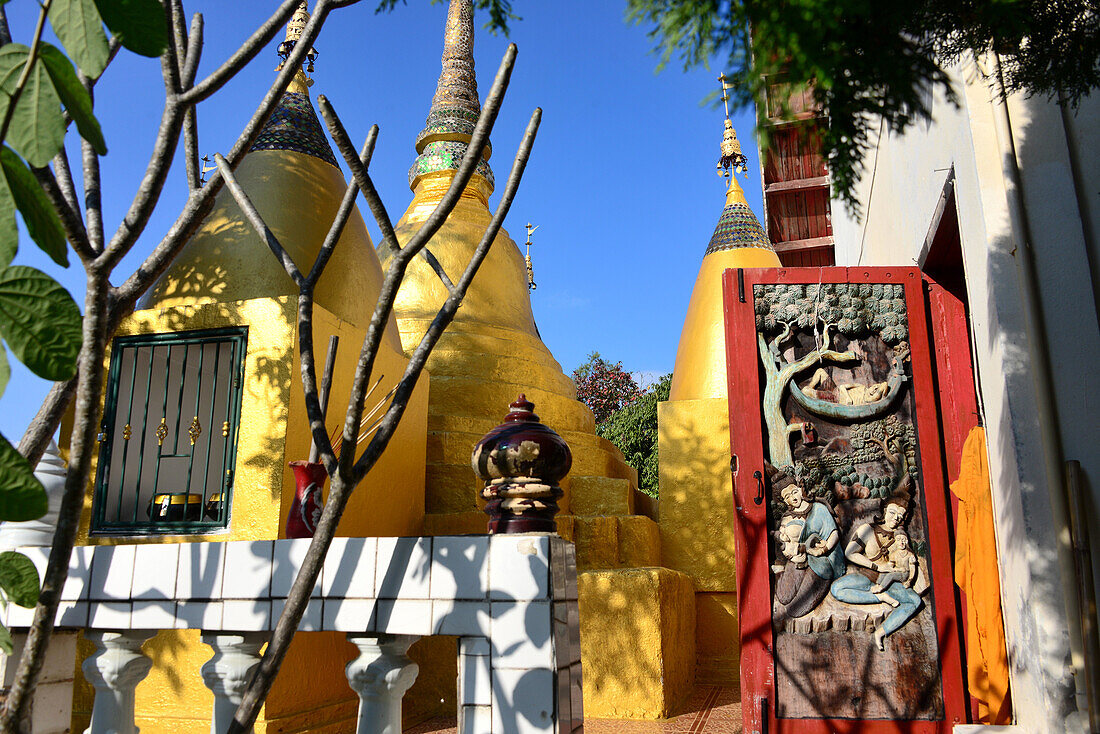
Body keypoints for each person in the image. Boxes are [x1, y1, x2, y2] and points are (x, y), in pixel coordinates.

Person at [830, 499, 922, 649]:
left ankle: (881, 632)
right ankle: (879, 597)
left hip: (890, 581)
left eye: (900, 515)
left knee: (914, 601)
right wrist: (878, 567)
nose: (895, 517)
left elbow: (907, 561)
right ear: (885, 511)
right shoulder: (868, 530)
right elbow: (850, 553)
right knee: (837, 589)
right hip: (867, 575)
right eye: (892, 512)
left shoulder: (901, 538)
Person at [772, 475, 846, 618]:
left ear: (800, 489)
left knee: (796, 609)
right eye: (787, 496)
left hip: (819, 563)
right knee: (783, 596)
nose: (792, 498)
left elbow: (833, 534)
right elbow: (783, 543)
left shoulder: (818, 509)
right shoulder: (787, 517)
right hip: (797, 560)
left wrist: (822, 550)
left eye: (794, 492)